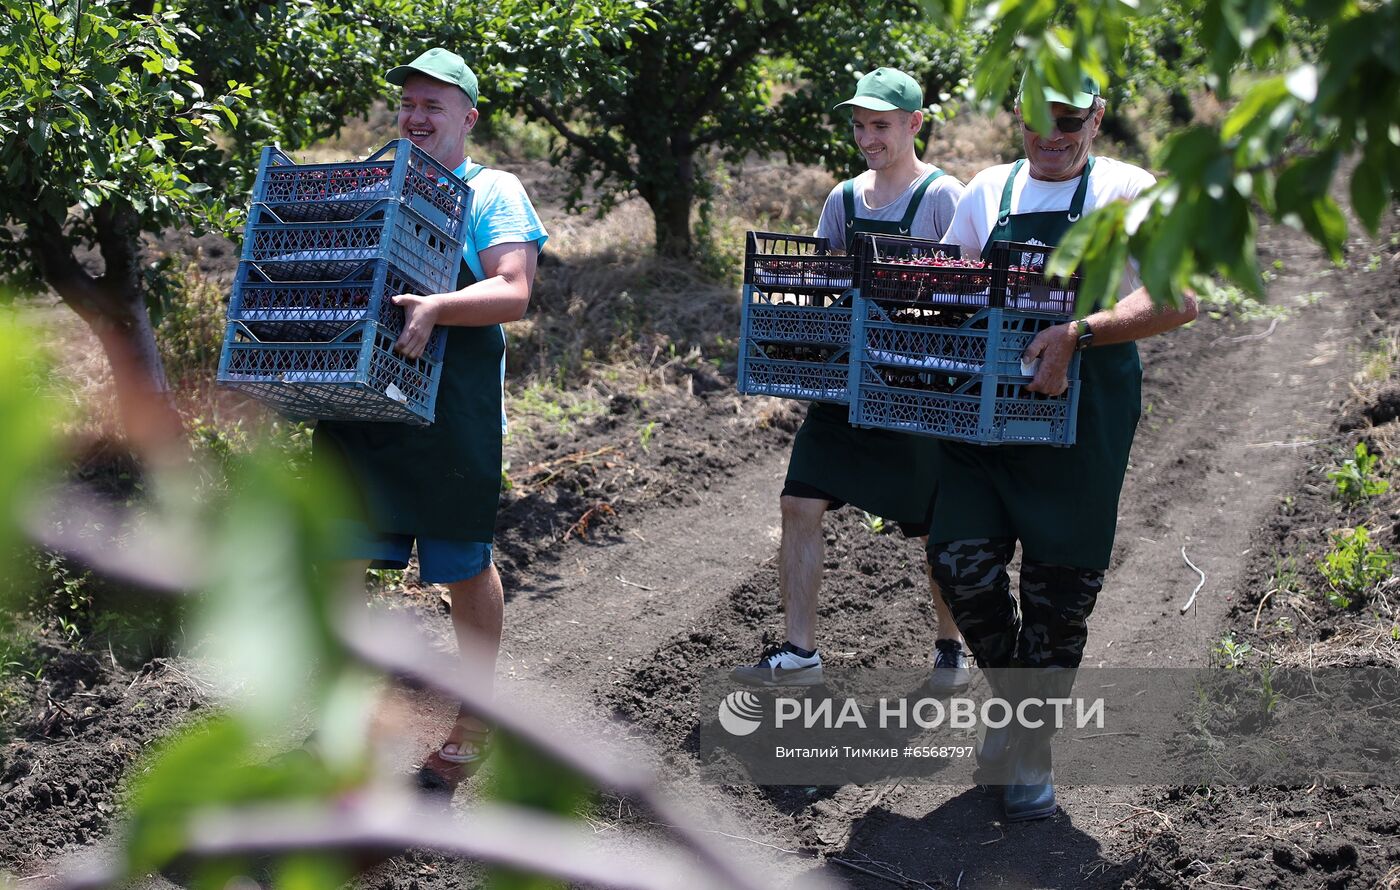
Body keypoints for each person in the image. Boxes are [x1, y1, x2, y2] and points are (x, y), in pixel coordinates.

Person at [929, 71, 1198, 821]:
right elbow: (949, 292)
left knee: (1059, 592)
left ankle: (1030, 750)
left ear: (1097, 117)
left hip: (1086, 421)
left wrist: (1078, 332)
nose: (1051, 134)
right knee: (961, 561)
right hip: (986, 422)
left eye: (1068, 119)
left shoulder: (1129, 189)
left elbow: (1176, 300)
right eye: (1035, 118)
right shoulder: (988, 192)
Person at [312, 47, 548, 793]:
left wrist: (441, 308)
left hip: (453, 415)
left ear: (467, 118)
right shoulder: (375, 182)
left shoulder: (494, 192)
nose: (415, 118)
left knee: (462, 564)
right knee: (341, 559)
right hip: (363, 413)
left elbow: (513, 292)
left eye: (433, 107)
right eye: (408, 105)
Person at [732, 68, 970, 692]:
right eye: (860, 125)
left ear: (915, 124)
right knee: (798, 503)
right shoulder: (841, 200)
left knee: (934, 527)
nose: (868, 137)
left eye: (881, 126)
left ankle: (949, 648)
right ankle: (799, 651)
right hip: (844, 388)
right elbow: (820, 285)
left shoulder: (945, 198)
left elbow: (966, 296)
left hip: (917, 393)